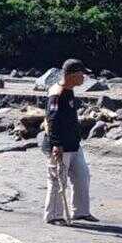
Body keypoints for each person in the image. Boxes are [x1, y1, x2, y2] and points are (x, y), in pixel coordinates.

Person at [43, 59, 97, 225]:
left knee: (82, 176)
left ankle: (80, 212)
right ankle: (53, 215)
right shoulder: (57, 93)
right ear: (72, 75)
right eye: (82, 74)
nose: (84, 78)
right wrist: (56, 144)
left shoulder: (69, 90)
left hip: (73, 143)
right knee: (57, 180)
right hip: (59, 145)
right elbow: (51, 120)